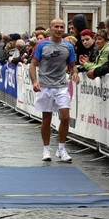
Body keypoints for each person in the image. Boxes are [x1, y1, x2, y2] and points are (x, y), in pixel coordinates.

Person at [29, 18, 80, 162]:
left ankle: (61, 149)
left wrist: (74, 72)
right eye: (56, 26)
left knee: (65, 117)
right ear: (50, 28)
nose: (59, 29)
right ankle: (46, 149)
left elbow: (72, 65)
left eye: (62, 27)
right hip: (45, 85)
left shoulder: (68, 46)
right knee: (47, 118)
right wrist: (34, 81)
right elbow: (33, 65)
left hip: (61, 86)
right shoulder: (42, 44)